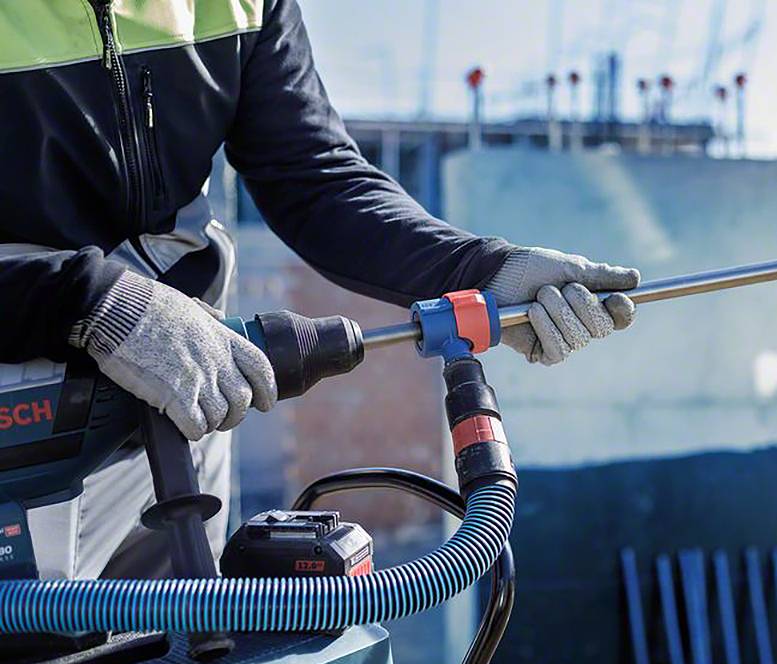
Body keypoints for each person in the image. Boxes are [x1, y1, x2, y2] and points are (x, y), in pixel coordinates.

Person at [0, 0, 639, 579]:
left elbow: (312, 175)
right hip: (22, 429)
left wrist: (481, 272)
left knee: (178, 652)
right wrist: (89, 301)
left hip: (185, 408)